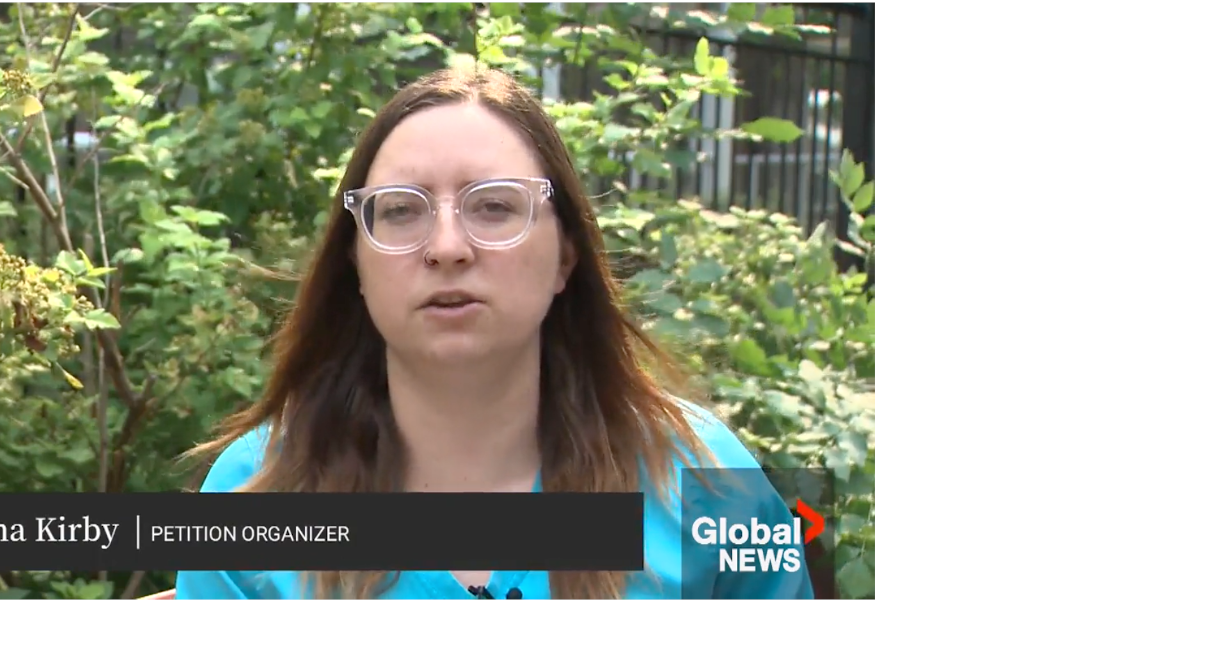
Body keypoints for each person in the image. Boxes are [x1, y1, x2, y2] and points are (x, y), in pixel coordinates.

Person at [173, 65, 814, 600]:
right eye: (399, 211)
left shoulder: (707, 480)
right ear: (356, 265)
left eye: (495, 205)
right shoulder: (254, 492)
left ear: (566, 255)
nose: (447, 247)